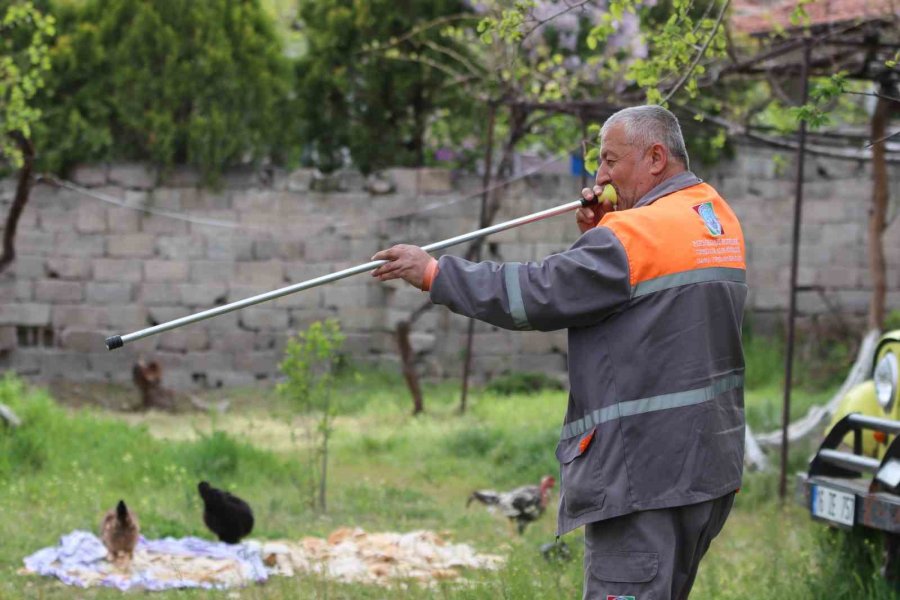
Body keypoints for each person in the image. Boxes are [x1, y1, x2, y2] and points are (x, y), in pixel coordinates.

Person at [371, 105, 746, 600]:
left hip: (644, 475)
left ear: (656, 158)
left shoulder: (631, 238)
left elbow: (538, 292)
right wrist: (604, 233)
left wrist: (435, 274)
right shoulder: (715, 218)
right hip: (706, 468)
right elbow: (645, 302)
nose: (600, 177)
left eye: (610, 161)